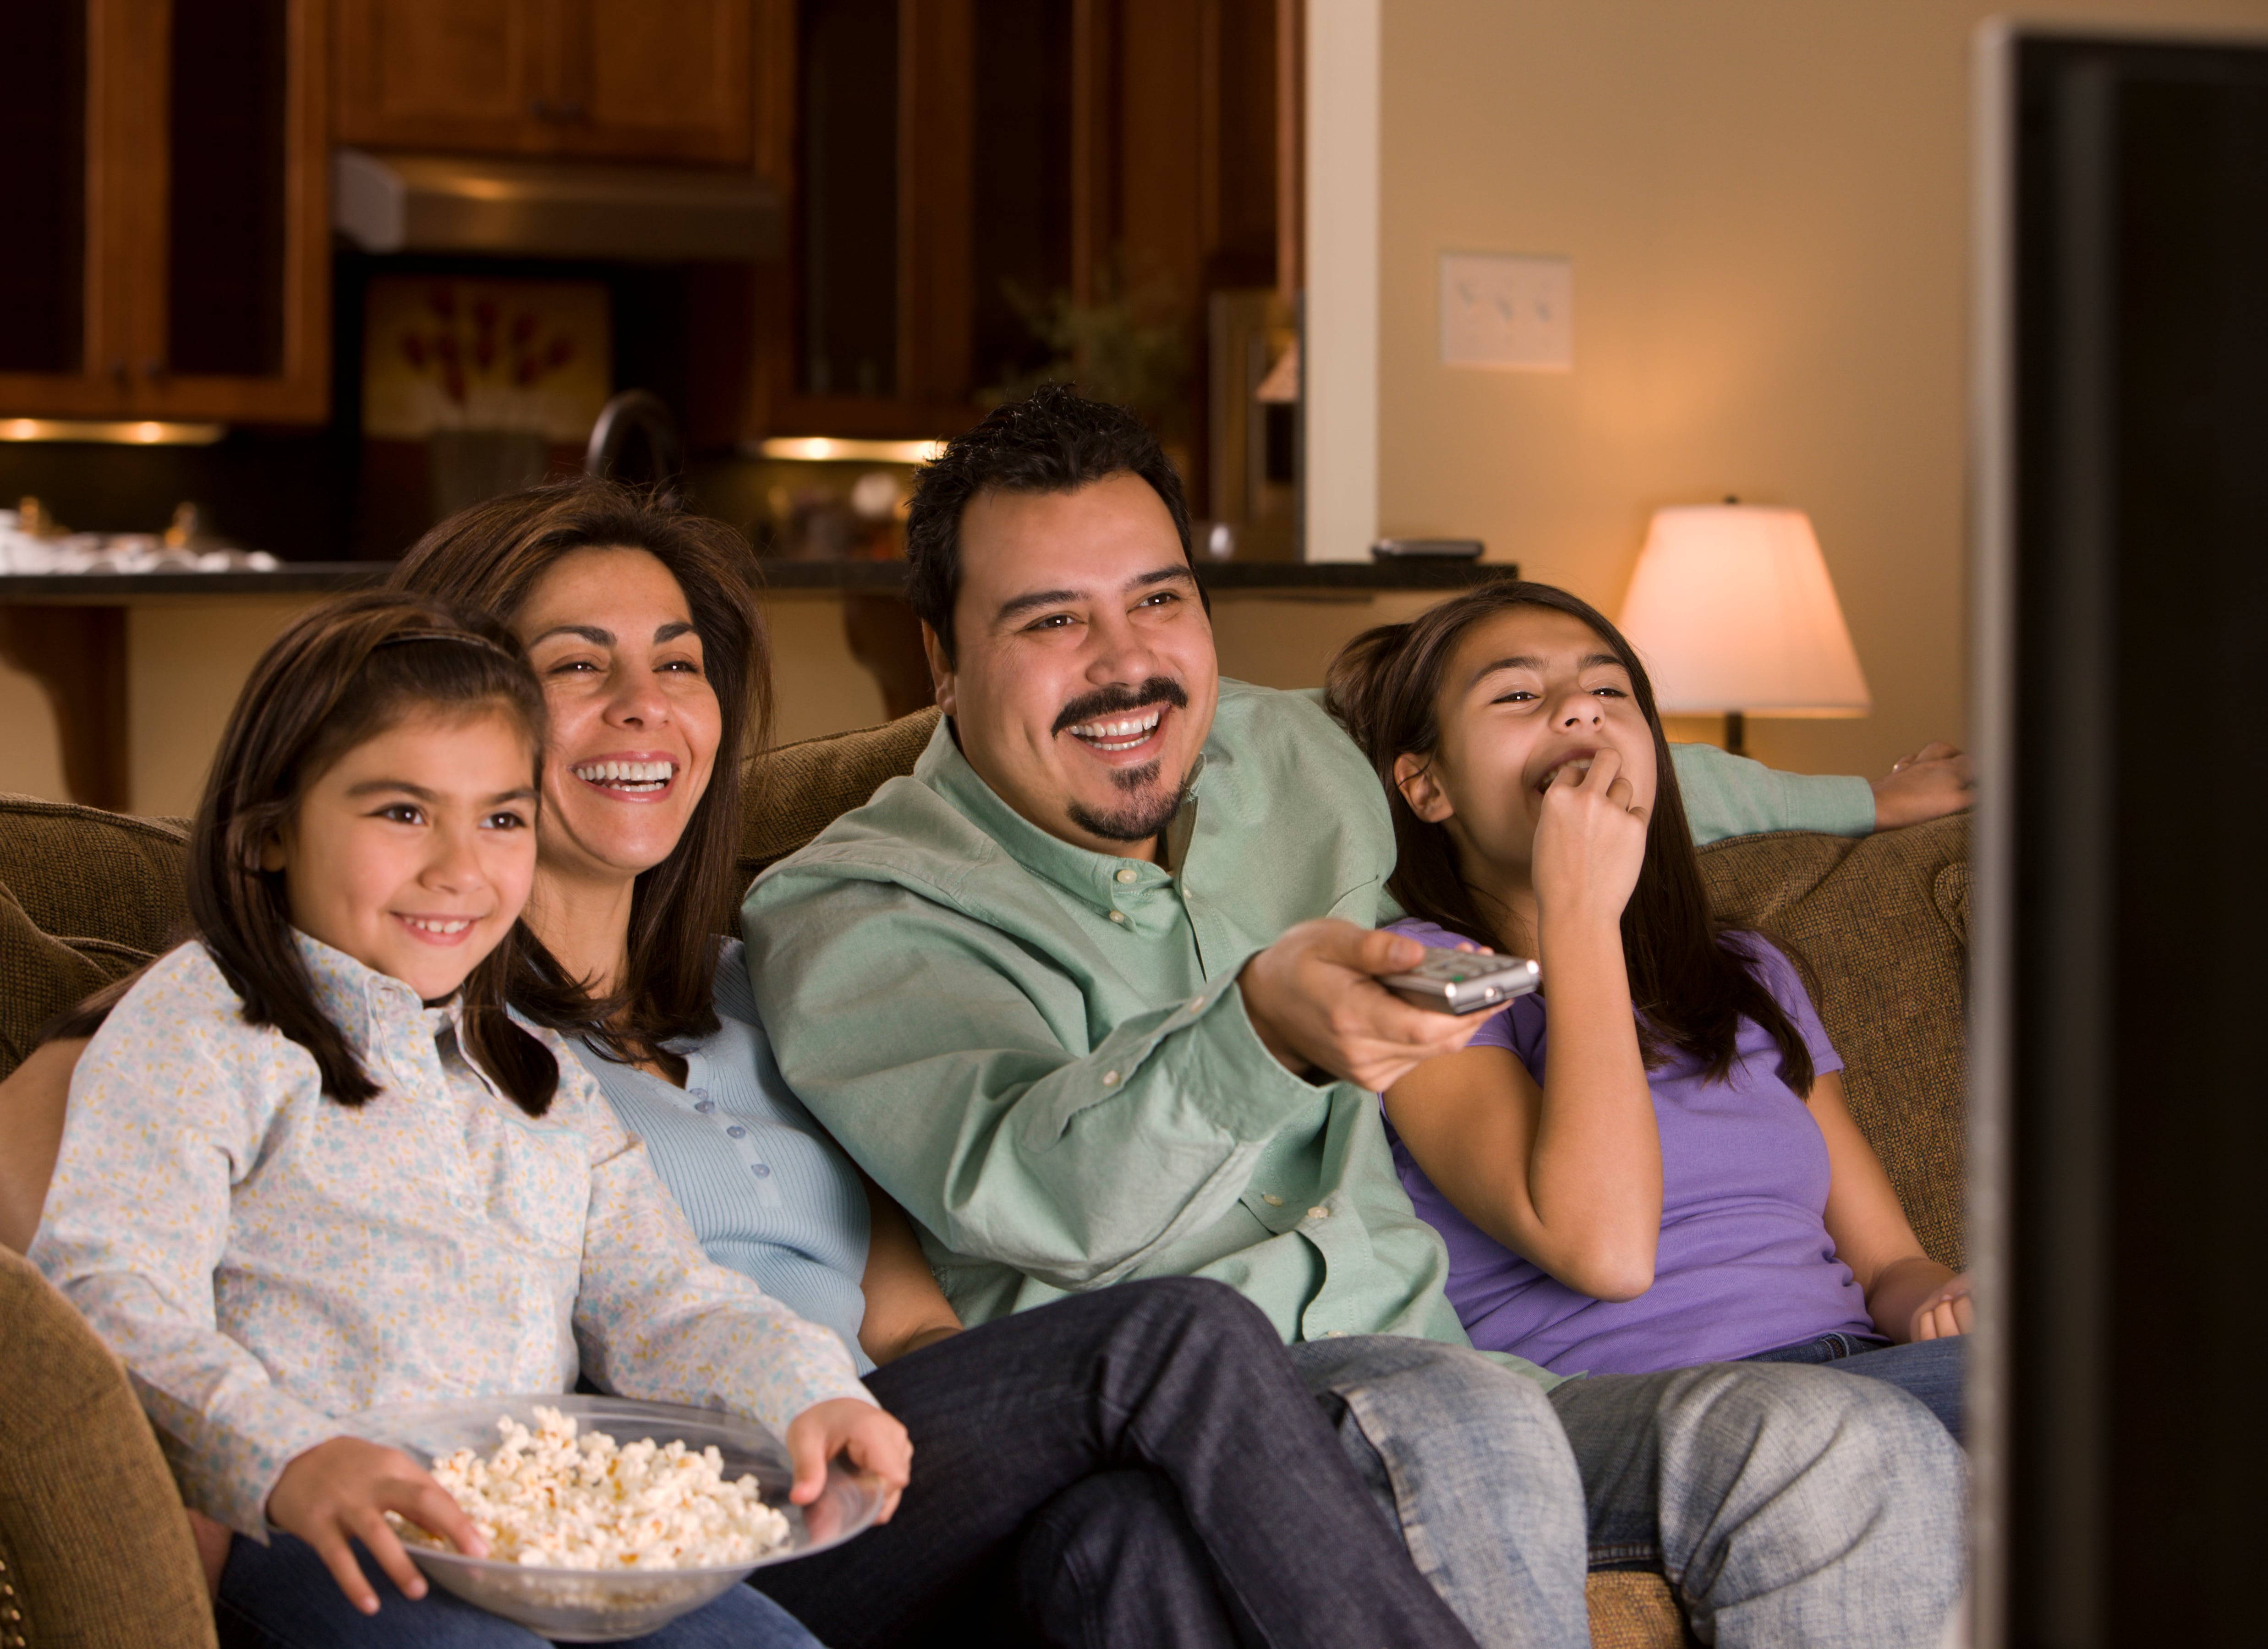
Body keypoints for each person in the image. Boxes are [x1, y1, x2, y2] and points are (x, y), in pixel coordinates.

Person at [742, 384, 1968, 1649]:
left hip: (1478, 1380)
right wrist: (1257, 1039)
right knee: (1455, 1416)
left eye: (1158, 600)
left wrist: (1854, 800)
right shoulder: (854, 913)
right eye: (1052, 620)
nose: (1124, 664)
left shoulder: (1285, 757)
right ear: (941, 660)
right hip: (1189, 1429)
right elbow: (1023, 1192)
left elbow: (1552, 767)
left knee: (1839, 1439)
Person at [384, 479, 1484, 1649]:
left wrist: (1015, 1445)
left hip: (883, 1475)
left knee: (1126, 1537)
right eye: (577, 667)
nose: (643, 708)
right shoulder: (429, 1043)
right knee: (1182, 1333)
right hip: (680, 1517)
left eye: (677, 664)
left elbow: (909, 1329)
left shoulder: (748, 988)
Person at [27, 591, 881, 1649]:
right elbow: (105, 1291)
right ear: (269, 835)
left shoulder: (535, 1076)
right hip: (315, 1533)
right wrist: (287, 1460)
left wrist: (806, 1391)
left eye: (503, 817)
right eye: (402, 812)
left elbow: (660, 1298)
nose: (460, 867)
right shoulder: (204, 1029)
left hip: (550, 1520)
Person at [1323, 580, 1968, 1440]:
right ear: (1425, 785)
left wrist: (1938, 1297)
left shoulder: (1743, 969)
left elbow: (1888, 1261)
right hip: (1641, 1408)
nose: (1578, 714)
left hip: (1861, 1370)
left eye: (1607, 691)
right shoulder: (1418, 976)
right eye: (1517, 695)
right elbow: (1603, 1252)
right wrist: (1580, 916)